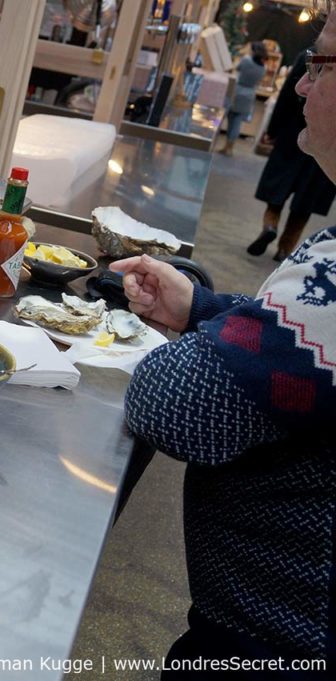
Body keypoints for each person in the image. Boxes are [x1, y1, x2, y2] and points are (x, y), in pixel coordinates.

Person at [110, 9, 336, 676]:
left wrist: (207, 340)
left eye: (320, 65)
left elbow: (176, 401)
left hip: (272, 645)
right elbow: (297, 347)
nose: (299, 85)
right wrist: (205, 308)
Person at [247, 50, 336, 262]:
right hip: (325, 140)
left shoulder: (310, 55)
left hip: (294, 133)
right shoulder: (316, 55)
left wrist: (273, 128)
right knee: (306, 202)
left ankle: (270, 226)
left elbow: (288, 93)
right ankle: (285, 250)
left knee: (278, 189)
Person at [218, 41, 268, 157]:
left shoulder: (246, 60)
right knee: (237, 122)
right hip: (249, 94)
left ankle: (226, 146)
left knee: (230, 118)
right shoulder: (263, 68)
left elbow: (236, 68)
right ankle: (230, 147)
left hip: (237, 91)